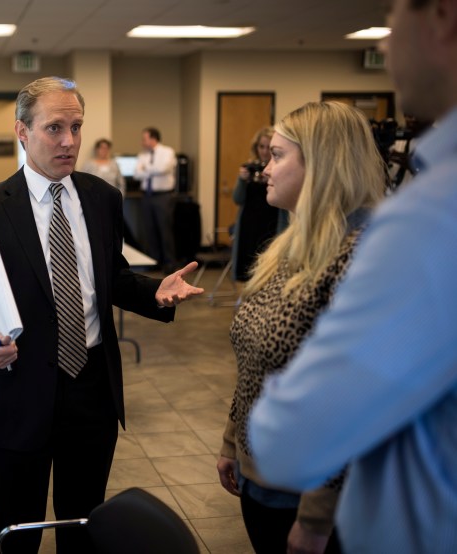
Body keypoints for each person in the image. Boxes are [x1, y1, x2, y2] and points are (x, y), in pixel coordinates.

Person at [0, 76, 204, 554]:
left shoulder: (102, 199)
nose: (68, 141)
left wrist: (156, 293)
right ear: (22, 131)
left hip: (91, 392)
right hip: (17, 391)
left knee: (83, 529)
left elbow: (114, 280)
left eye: (77, 127)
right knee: (15, 530)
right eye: (54, 128)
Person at [248, 0, 457, 552]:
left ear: (443, 16)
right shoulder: (290, 244)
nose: (384, 45)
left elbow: (290, 439)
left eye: (392, 19)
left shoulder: (427, 217)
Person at [216, 101, 386, 554]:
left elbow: (355, 401)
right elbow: (257, 355)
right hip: (262, 479)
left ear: (322, 164)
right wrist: (233, 441)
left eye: (277, 156)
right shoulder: (289, 246)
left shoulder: (361, 257)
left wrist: (316, 517)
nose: (264, 169)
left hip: (311, 493)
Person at [230, 126, 283, 282]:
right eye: (261, 146)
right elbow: (237, 199)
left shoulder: (279, 169)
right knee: (246, 269)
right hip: (249, 226)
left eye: (269, 147)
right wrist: (242, 179)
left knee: (269, 271)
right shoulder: (249, 167)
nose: (265, 151)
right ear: (256, 147)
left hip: (271, 225)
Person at [134, 127, 177, 273]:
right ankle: (154, 261)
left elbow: (163, 169)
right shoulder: (142, 155)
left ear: (153, 139)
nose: (142, 142)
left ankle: (169, 263)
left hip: (163, 196)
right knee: (149, 230)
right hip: (146, 196)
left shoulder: (168, 152)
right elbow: (136, 175)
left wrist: (146, 168)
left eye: (144, 139)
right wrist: (149, 169)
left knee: (165, 230)